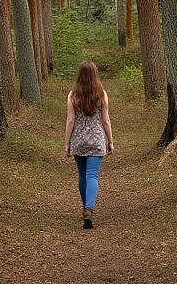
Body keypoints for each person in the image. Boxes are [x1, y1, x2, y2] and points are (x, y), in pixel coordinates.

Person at [64, 61, 114, 229]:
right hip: (96, 139)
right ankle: (89, 209)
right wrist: (110, 141)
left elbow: (70, 120)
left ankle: (85, 207)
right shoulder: (102, 94)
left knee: (82, 174)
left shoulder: (72, 95)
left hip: (78, 140)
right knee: (92, 174)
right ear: (95, 75)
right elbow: (105, 120)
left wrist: (67, 143)